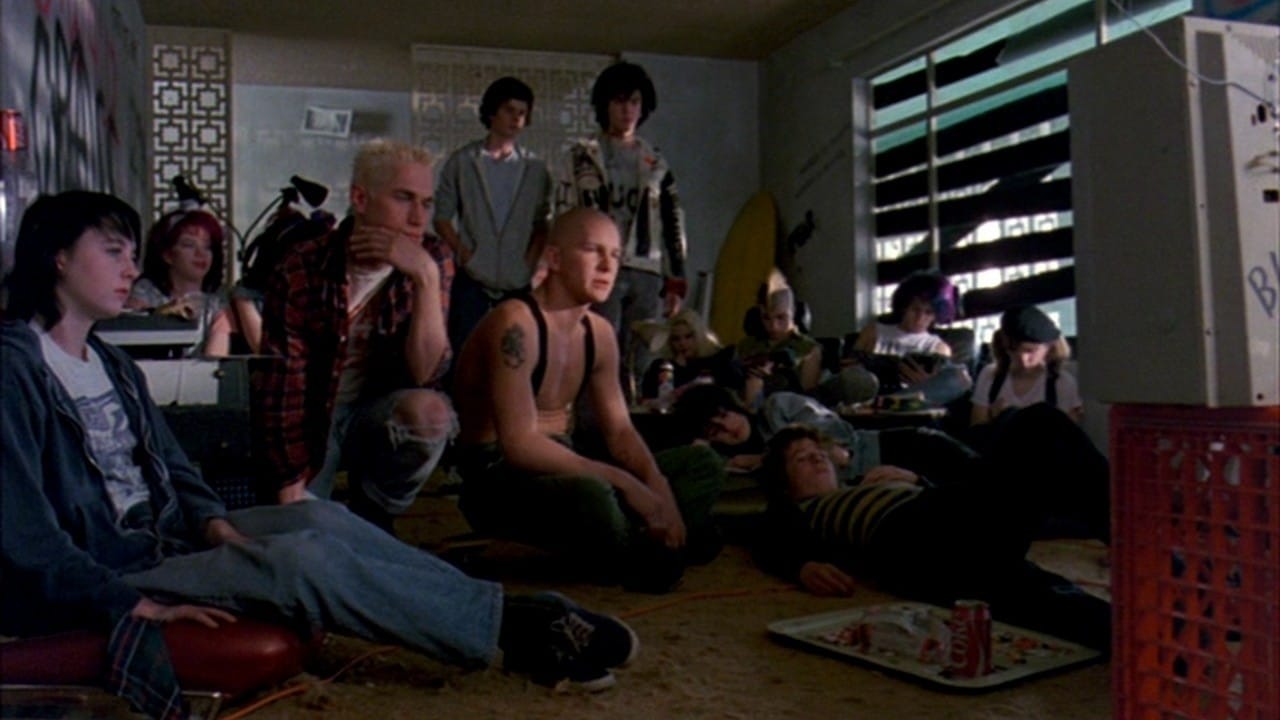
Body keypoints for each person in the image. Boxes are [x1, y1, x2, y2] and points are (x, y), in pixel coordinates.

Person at [0, 191, 642, 719]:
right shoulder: (14, 369)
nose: (129, 268)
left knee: (319, 516)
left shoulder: (109, 361)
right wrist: (129, 602)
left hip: (166, 536)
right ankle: (519, 628)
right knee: (300, 560)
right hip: (111, 565)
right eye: (112, 252)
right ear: (58, 257)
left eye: (132, 254)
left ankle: (497, 607)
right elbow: (26, 535)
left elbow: (178, 468)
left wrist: (214, 523)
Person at [453, 208, 725, 593]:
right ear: (554, 258)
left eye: (614, 255)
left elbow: (620, 432)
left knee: (703, 464)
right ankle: (650, 549)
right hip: (498, 477)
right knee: (596, 495)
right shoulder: (515, 322)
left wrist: (657, 487)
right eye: (591, 250)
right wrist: (626, 484)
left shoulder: (599, 333)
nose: (607, 266)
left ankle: (635, 543)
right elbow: (519, 445)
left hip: (566, 461)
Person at [754, 407, 1112, 651]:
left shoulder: (863, 484)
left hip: (952, 526)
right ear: (785, 485)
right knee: (1037, 424)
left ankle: (1132, 550)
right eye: (802, 459)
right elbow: (762, 534)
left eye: (818, 452)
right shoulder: (796, 510)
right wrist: (801, 566)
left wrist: (916, 480)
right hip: (911, 543)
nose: (817, 457)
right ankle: (1132, 539)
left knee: (1041, 433)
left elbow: (954, 499)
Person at [254, 139, 454, 532]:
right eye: (403, 198)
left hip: (378, 415)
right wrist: (289, 483)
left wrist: (427, 278)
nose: (418, 218)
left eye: (427, 203)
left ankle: (377, 513)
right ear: (361, 199)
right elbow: (283, 387)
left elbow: (426, 373)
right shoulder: (303, 266)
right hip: (314, 417)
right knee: (303, 533)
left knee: (431, 414)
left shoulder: (432, 257)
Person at [556, 61, 688, 392]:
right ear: (605, 105)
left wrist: (676, 280)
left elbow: (673, 220)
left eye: (634, 102)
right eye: (619, 101)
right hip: (599, 267)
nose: (627, 110)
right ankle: (595, 416)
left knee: (640, 355)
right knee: (598, 349)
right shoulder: (583, 155)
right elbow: (563, 211)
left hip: (646, 267)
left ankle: (632, 414)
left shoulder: (655, 161)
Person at [435, 76, 553, 353]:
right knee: (464, 352)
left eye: (522, 112)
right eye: (509, 110)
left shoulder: (535, 168)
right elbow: (441, 217)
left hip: (517, 279)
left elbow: (543, 222)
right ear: (492, 112)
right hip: (473, 277)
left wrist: (529, 263)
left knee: (517, 354)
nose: (516, 118)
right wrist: (465, 254)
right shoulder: (464, 161)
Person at [673, 383, 978, 481]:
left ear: (733, 406)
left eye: (724, 415)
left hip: (898, 448)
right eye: (715, 430)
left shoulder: (777, 407)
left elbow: (834, 439)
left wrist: (765, 458)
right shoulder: (736, 463)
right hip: (873, 482)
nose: (728, 427)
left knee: (982, 477)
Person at [848, 270, 971, 405]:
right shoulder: (873, 331)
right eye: (915, 309)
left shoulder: (939, 347)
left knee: (958, 378)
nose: (920, 318)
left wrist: (927, 383)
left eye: (928, 312)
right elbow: (850, 370)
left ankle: (888, 404)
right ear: (904, 307)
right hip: (868, 395)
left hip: (911, 401)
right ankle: (882, 404)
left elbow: (942, 389)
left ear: (936, 315)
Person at [125, 206, 236, 356]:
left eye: (208, 247)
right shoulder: (143, 292)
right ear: (167, 254)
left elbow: (215, 359)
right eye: (189, 245)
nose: (200, 254)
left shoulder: (218, 302)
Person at [971, 305, 1081, 426]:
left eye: (1031, 351)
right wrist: (994, 419)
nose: (1023, 359)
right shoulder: (990, 376)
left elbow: (1067, 434)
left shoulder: (1061, 384)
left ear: (1049, 347)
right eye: (1013, 350)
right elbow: (977, 430)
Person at [735, 270, 822, 405]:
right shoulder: (746, 346)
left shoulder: (808, 349)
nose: (774, 326)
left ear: (793, 312)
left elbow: (808, 399)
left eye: (781, 317)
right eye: (766, 318)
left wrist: (772, 380)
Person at [634, 307, 742, 408]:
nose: (682, 343)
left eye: (688, 336)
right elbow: (651, 399)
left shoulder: (720, 359)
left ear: (699, 335)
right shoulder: (662, 367)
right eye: (676, 339)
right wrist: (677, 368)